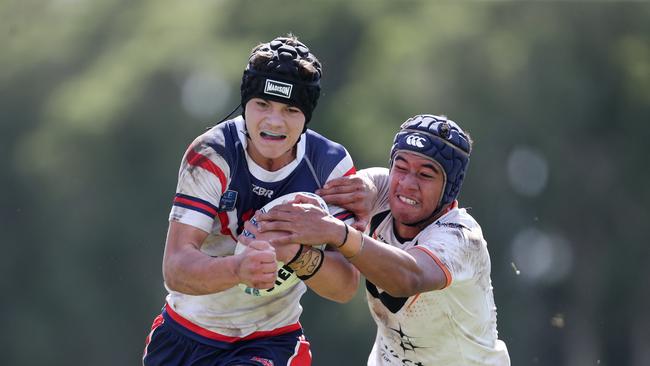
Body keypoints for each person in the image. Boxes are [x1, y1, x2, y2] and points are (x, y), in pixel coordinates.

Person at [142, 34, 360, 366]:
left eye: (290, 109)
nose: (274, 121)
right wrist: (238, 268)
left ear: (307, 116)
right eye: (262, 105)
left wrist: (298, 255)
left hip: (270, 340)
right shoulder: (212, 153)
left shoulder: (330, 166)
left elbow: (345, 287)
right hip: (184, 334)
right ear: (245, 103)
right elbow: (175, 269)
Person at [253, 114, 511, 365]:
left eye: (425, 175)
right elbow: (366, 184)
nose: (408, 184)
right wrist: (292, 249)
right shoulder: (384, 191)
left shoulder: (460, 236)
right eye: (401, 167)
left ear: (450, 188)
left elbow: (408, 278)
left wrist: (337, 232)